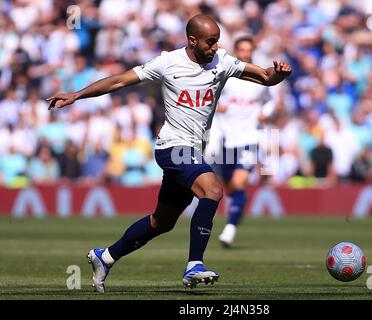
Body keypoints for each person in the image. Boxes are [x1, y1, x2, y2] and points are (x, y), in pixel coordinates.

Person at [47, 14, 291, 292]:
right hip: (172, 147)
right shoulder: (168, 62)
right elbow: (119, 81)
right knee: (212, 189)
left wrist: (278, 75)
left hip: (193, 151)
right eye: (210, 42)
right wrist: (77, 95)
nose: (215, 47)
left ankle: (106, 256)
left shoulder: (222, 62)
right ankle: (194, 265)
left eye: (217, 41)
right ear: (192, 40)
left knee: (161, 222)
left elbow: (263, 77)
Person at [208, 36, 282, 247]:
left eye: (249, 50)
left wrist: (265, 113)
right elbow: (210, 94)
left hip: (249, 138)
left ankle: (230, 230)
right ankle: (236, 214)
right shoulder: (227, 75)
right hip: (225, 139)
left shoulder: (259, 78)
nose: (245, 53)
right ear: (236, 51)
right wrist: (217, 105)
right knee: (231, 189)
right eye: (242, 50)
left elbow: (271, 101)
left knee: (239, 183)